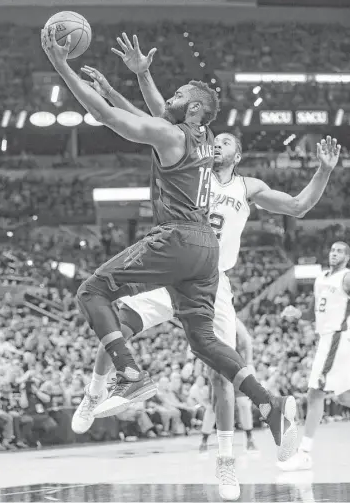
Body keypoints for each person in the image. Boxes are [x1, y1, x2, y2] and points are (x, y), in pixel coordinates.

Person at [42, 27, 301, 466]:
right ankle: (270, 405)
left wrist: (62, 66)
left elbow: (114, 119)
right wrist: (138, 78)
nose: (172, 94)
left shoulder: (177, 137)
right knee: (203, 343)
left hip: (177, 237)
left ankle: (128, 374)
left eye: (181, 92)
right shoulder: (202, 139)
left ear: (195, 107)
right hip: (206, 255)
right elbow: (158, 115)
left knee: (93, 291)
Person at [279, 241, 350, 471]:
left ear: (347, 257)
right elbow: (313, 313)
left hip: (337, 337)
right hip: (326, 338)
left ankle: (305, 453)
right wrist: (297, 313)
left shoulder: (346, 277)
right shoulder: (321, 278)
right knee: (342, 397)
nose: (334, 254)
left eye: (339, 251)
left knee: (314, 393)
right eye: (332, 250)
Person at [199, 317, 258, 455]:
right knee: (213, 407)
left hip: (236, 366)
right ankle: (204, 441)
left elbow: (247, 341)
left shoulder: (232, 319)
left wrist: (249, 363)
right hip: (215, 367)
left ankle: (249, 439)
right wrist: (200, 375)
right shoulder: (204, 319)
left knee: (243, 403)